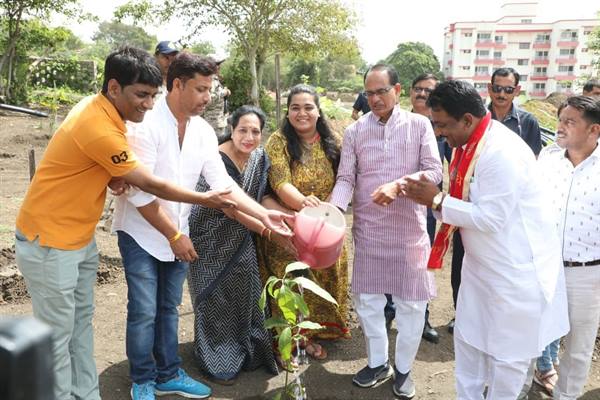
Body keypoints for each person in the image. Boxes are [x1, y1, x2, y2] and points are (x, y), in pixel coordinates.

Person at [13, 46, 236, 400]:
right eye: (141, 95)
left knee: (79, 329)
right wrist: (204, 199)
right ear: (114, 88)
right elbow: (147, 183)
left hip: (78, 239)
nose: (148, 104)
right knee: (57, 338)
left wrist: (111, 176)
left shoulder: (108, 114)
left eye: (152, 95)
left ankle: (86, 394)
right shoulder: (97, 124)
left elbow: (103, 168)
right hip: (50, 242)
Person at [111, 53, 293, 400]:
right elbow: (138, 191)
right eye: (201, 89)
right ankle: (143, 379)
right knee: (144, 309)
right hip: (141, 232)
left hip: (177, 231)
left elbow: (222, 183)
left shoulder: (203, 131)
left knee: (168, 307)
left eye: (211, 89)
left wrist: (264, 215)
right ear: (177, 84)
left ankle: (168, 373)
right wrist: (174, 235)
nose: (208, 97)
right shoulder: (145, 124)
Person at [402, 80, 569, 400]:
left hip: (515, 275)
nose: (438, 133)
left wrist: (436, 201)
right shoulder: (470, 145)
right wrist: (437, 200)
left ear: (467, 119)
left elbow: (492, 217)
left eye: (442, 125)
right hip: (481, 270)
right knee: (469, 345)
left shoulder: (500, 151)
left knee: (507, 362)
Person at [330, 64, 442, 399]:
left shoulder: (419, 125)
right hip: (369, 230)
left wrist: (399, 185)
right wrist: (333, 212)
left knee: (411, 304)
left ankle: (405, 369)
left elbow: (434, 172)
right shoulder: (355, 131)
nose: (376, 98)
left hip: (409, 232)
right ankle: (378, 363)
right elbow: (347, 178)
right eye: (370, 92)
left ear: (397, 90)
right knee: (368, 302)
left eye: (382, 91)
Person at [187, 105, 288, 385]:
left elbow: (263, 196)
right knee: (215, 296)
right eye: (242, 130)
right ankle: (217, 358)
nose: (249, 136)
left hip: (242, 237)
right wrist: (270, 231)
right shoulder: (215, 158)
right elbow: (232, 209)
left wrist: (289, 218)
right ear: (231, 130)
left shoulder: (259, 157)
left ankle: (247, 350)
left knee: (245, 292)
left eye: (255, 131)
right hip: (209, 235)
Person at [448, 66, 544, 335]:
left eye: (508, 89)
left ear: (517, 91)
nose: (502, 94)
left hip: (506, 208)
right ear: (489, 89)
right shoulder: (475, 118)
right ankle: (463, 314)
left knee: (501, 268)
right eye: (497, 88)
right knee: (464, 262)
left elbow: (532, 165)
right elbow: (454, 156)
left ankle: (496, 320)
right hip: (468, 201)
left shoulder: (527, 123)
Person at [261, 83, 350, 362]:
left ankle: (319, 332)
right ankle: (295, 338)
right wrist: (303, 205)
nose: (302, 113)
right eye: (295, 108)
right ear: (287, 114)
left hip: (326, 225)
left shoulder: (332, 140)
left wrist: (330, 212)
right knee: (293, 284)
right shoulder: (278, 142)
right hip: (289, 224)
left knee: (325, 279)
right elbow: (280, 181)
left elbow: (345, 178)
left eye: (308, 107)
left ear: (318, 111)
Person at [537, 95, 600, 400]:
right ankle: (517, 390)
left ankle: (566, 396)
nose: (559, 127)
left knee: (578, 346)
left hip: (586, 273)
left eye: (569, 122)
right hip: (542, 268)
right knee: (530, 336)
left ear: (594, 131)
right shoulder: (547, 159)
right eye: (560, 120)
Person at [409, 73, 443, 345]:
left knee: (422, 260)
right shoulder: (396, 122)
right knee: (389, 257)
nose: (422, 94)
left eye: (428, 91)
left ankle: (423, 316)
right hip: (392, 205)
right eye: (418, 89)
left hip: (427, 206)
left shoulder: (443, 126)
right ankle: (388, 311)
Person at [201, 59, 231, 137]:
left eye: (219, 65)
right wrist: (224, 92)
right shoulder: (211, 80)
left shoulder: (215, 79)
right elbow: (208, 99)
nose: (219, 67)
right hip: (213, 122)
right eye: (217, 64)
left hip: (217, 121)